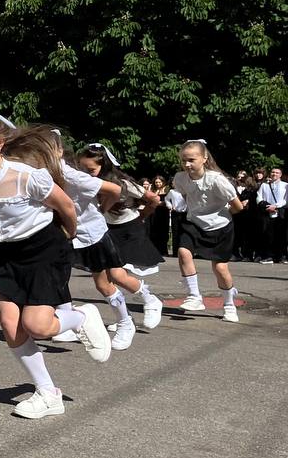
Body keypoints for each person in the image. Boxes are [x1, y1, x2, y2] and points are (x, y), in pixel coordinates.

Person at [0, 111, 110, 421]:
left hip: (45, 250)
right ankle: (48, 393)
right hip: (10, 255)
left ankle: (80, 317)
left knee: (38, 325)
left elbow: (65, 205)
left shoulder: (27, 176)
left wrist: (69, 233)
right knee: (11, 326)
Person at [44, 137, 158, 351]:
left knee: (106, 283)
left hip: (92, 234)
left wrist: (101, 210)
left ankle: (127, 321)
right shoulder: (44, 172)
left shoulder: (73, 175)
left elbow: (114, 190)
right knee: (59, 279)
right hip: (66, 235)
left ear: (58, 152)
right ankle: (69, 324)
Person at [76, 144, 166, 335]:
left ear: (104, 165)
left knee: (116, 275)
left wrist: (142, 217)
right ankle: (125, 317)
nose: (87, 173)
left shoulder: (121, 182)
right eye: (83, 169)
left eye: (91, 169)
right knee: (104, 281)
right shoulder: (85, 182)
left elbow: (153, 199)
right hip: (106, 230)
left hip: (128, 229)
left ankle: (151, 300)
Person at [173, 139, 244, 322]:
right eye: (184, 160)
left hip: (220, 227)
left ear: (204, 158)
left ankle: (229, 305)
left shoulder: (216, 180)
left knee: (220, 268)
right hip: (194, 223)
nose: (187, 164)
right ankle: (195, 296)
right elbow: (187, 196)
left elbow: (237, 207)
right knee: (183, 252)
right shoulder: (180, 179)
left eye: (191, 160)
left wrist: (221, 215)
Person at [257, 166, 286, 263]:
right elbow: (259, 197)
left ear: (280, 175)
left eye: (277, 173)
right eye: (273, 172)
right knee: (267, 235)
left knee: (280, 235)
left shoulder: (285, 185)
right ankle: (268, 256)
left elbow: (286, 200)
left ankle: (280, 256)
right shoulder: (264, 185)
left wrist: (276, 206)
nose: (274, 174)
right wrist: (267, 206)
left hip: (280, 212)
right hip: (267, 212)